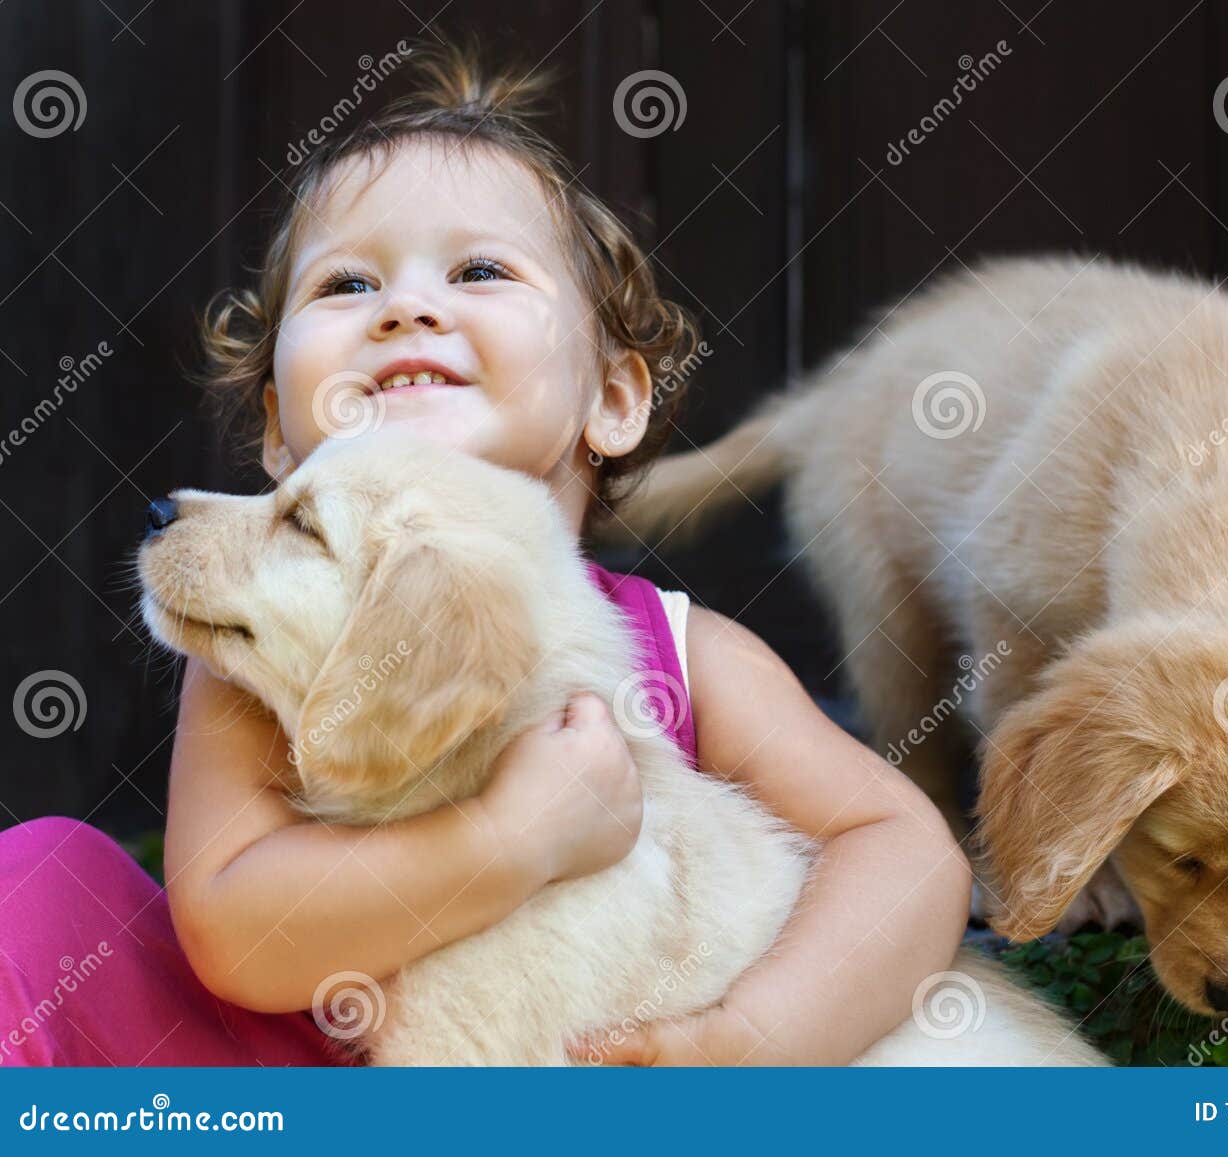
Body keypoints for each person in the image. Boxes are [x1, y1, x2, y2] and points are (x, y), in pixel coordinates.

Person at [0, 42, 968, 1067]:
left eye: (478, 270)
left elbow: (903, 851)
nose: (405, 307)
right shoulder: (247, 652)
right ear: (283, 427)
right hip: (274, 1083)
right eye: (347, 282)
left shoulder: (683, 658)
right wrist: (511, 840)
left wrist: (754, 1035)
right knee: (41, 880)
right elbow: (239, 938)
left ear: (614, 396)